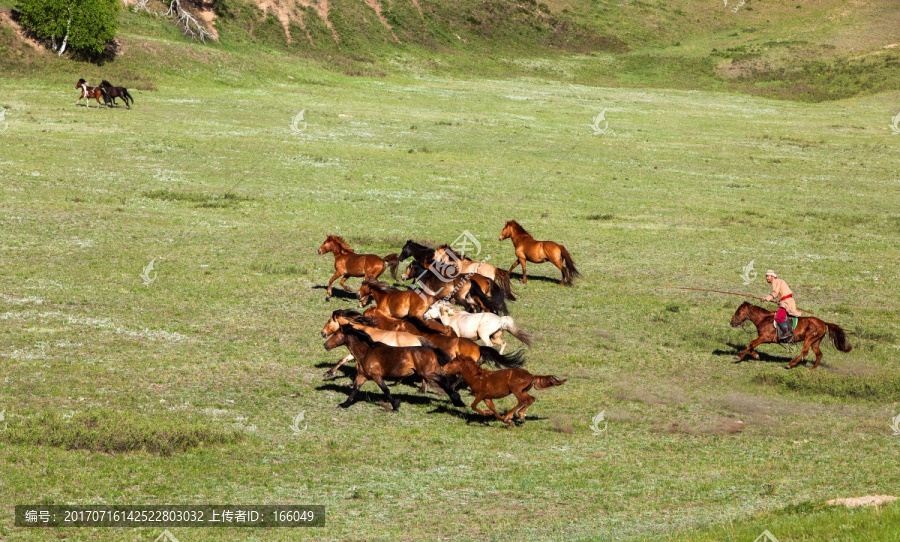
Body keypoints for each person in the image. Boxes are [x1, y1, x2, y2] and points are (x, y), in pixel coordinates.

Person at [762, 270, 800, 342]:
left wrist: (767, 298)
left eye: (768, 276)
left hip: (786, 302)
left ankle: (787, 332)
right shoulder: (779, 281)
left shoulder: (775, 281)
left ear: (772, 276)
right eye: (766, 276)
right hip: (787, 301)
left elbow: (775, 293)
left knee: (778, 317)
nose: (767, 278)